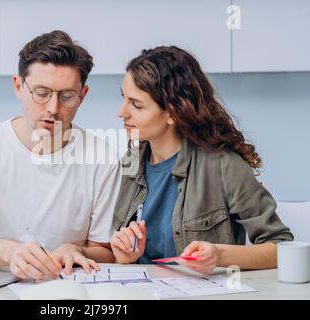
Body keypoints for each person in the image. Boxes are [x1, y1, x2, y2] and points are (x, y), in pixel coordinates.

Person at [0, 30, 120, 280]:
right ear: (18, 87)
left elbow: (106, 251)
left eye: (67, 96)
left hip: (70, 287)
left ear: (82, 96)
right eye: (41, 94)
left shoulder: (103, 158)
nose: (53, 108)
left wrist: (77, 251)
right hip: (3, 283)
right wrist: (12, 252)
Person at [110, 46, 293, 274]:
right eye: (123, 98)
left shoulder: (222, 165)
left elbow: (282, 246)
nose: (121, 112)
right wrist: (126, 257)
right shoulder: (131, 162)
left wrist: (220, 256)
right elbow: (124, 254)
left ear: (173, 113)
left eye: (136, 104)